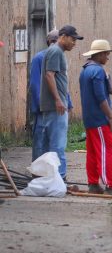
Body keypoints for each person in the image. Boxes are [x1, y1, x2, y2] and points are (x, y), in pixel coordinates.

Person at [35, 25, 82, 180]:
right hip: (56, 107)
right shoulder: (56, 51)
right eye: (73, 39)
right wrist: (58, 100)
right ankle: (60, 179)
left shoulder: (54, 51)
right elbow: (49, 75)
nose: (74, 43)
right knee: (58, 145)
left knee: (50, 146)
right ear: (63, 37)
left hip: (53, 106)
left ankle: (49, 178)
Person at [79, 39, 112, 194]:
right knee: (109, 149)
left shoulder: (85, 70)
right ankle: (110, 185)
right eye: (106, 54)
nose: (108, 57)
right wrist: (111, 118)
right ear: (100, 54)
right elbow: (100, 97)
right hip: (99, 119)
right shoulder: (97, 71)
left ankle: (93, 184)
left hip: (89, 119)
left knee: (92, 151)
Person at [30, 29, 74, 161]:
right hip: (44, 107)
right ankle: (38, 168)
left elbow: (61, 83)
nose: (55, 43)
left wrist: (68, 102)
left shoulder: (58, 54)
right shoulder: (40, 57)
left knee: (53, 142)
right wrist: (40, 106)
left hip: (56, 105)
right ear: (49, 42)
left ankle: (49, 168)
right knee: (41, 142)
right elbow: (36, 84)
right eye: (53, 41)